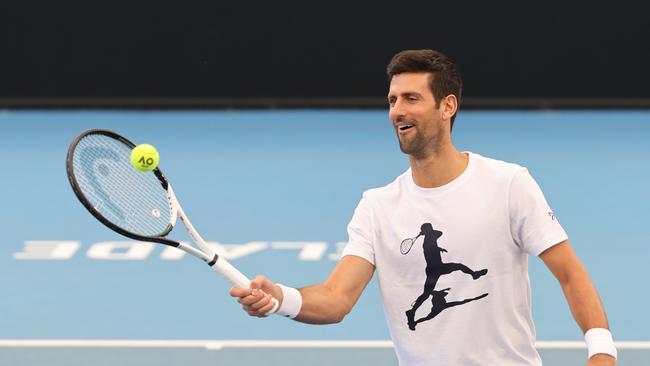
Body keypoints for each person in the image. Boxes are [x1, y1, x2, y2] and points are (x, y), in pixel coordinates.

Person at [229, 49, 617, 365]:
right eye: (393, 100)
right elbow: (335, 300)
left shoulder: (508, 183)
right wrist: (280, 298)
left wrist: (602, 351)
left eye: (411, 98)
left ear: (447, 106)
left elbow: (569, 273)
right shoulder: (377, 206)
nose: (397, 110)